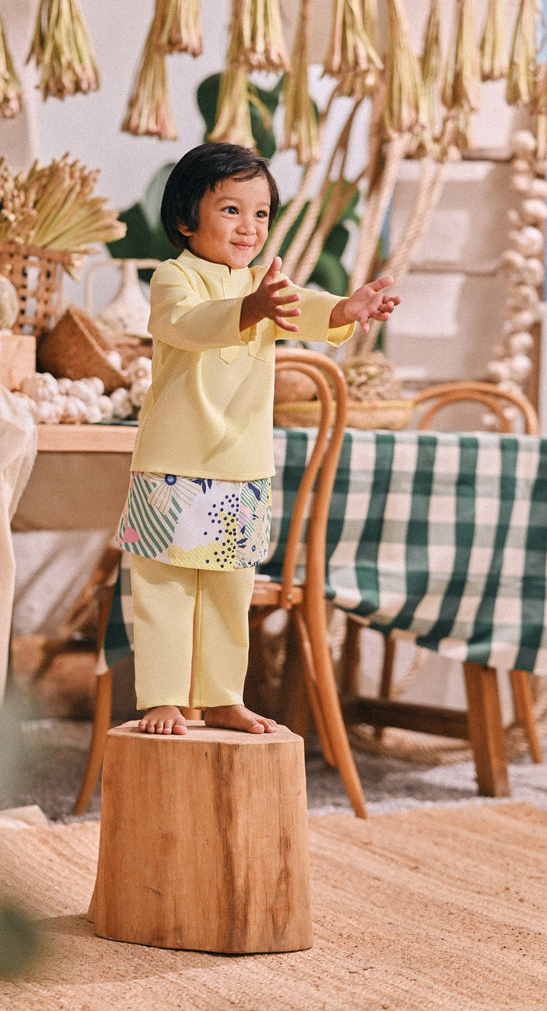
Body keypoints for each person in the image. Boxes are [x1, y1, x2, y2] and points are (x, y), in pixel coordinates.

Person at [114, 141, 400, 736]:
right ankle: (163, 697)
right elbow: (185, 324)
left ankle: (221, 697)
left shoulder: (262, 285)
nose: (250, 226)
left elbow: (307, 308)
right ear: (185, 218)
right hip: (172, 462)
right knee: (165, 585)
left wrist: (347, 308)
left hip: (242, 466)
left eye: (262, 213)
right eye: (231, 210)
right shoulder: (173, 277)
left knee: (229, 591)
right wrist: (252, 307)